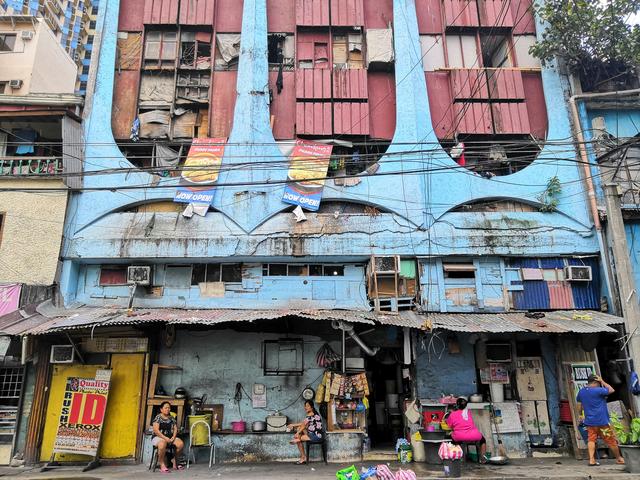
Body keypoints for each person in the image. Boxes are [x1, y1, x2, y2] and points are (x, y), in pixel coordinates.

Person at [576, 374, 625, 467]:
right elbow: (611, 390)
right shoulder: (598, 390)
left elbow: (579, 404)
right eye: (598, 383)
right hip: (602, 421)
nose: (599, 385)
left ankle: (591, 460)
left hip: (590, 421)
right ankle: (619, 458)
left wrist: (580, 415)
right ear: (595, 382)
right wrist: (602, 381)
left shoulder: (581, 392)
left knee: (591, 439)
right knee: (611, 440)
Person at [445, 397, 487, 463]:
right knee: (483, 440)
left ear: (456, 405)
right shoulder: (468, 412)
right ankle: (483, 458)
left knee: (448, 439)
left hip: (459, 436)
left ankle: (456, 458)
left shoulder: (452, 414)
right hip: (474, 435)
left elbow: (449, 425)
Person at [287, 400, 324, 464]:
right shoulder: (313, 414)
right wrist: (293, 426)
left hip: (316, 436)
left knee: (298, 436)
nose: (305, 407)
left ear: (311, 407)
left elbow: (303, 425)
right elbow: (303, 423)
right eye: (305, 406)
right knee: (299, 430)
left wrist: (297, 432)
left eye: (307, 406)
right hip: (311, 434)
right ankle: (303, 456)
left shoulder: (311, 414)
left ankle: (303, 456)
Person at [152, 401, 185, 473]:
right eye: (166, 408)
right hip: (158, 437)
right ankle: (162, 464)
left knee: (180, 444)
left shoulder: (171, 418)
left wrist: (173, 437)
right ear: (161, 409)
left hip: (169, 437)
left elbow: (175, 428)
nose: (168, 409)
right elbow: (156, 431)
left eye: (169, 408)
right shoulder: (158, 417)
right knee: (162, 444)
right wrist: (165, 438)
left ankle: (174, 460)